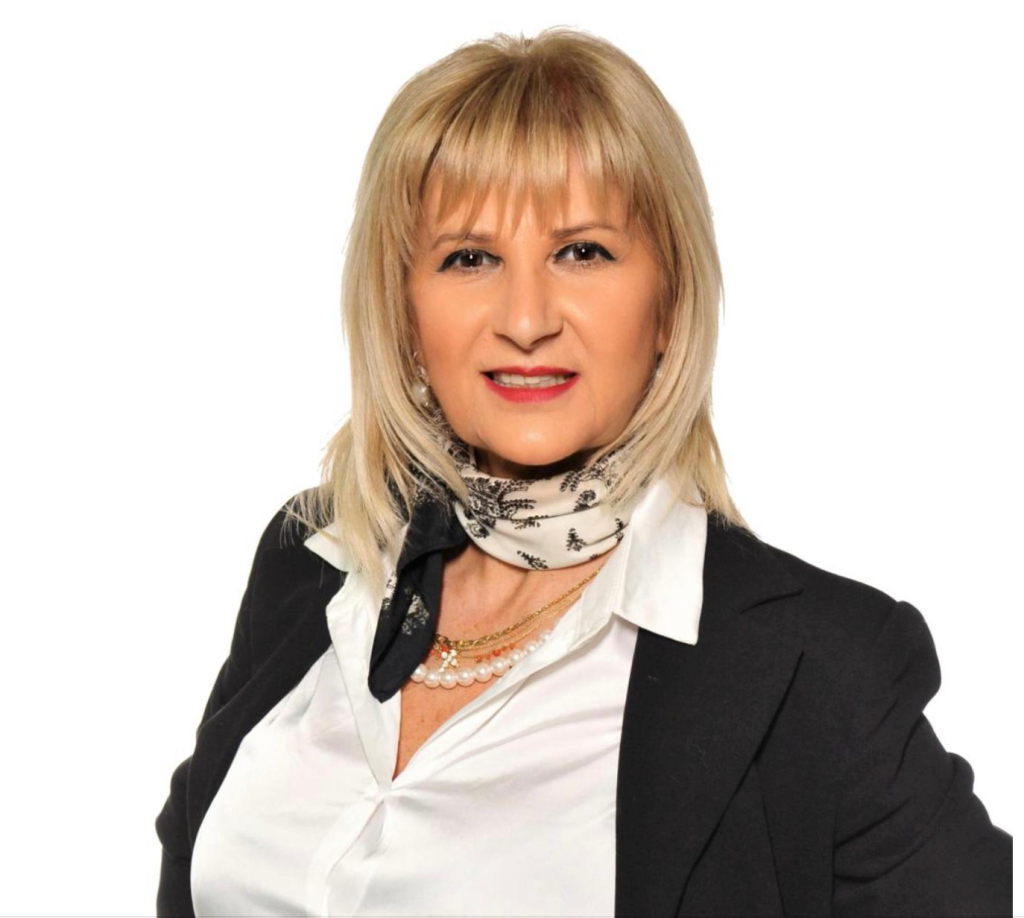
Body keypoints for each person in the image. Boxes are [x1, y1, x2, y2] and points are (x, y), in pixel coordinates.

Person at [155, 26, 1012, 918]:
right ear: (404, 307)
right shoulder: (312, 559)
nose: (526, 319)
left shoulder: (818, 667)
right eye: (469, 257)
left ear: (669, 300)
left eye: (582, 252)